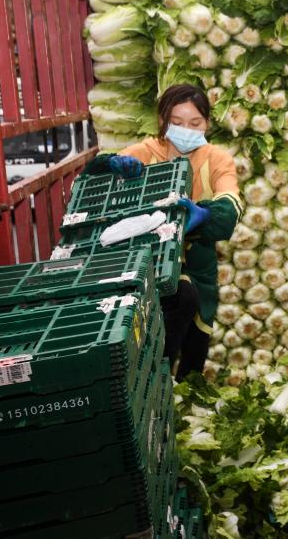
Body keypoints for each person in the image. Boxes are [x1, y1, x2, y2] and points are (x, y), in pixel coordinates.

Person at [86, 84, 241, 380]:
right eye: (177, 123)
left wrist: (205, 214)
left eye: (195, 123)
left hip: (197, 264)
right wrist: (111, 165)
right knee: (167, 321)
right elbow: (93, 182)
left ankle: (185, 394)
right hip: (146, 261)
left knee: (195, 342)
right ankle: (155, 387)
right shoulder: (144, 152)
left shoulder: (217, 159)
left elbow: (230, 205)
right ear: (162, 121)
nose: (187, 130)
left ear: (207, 123)